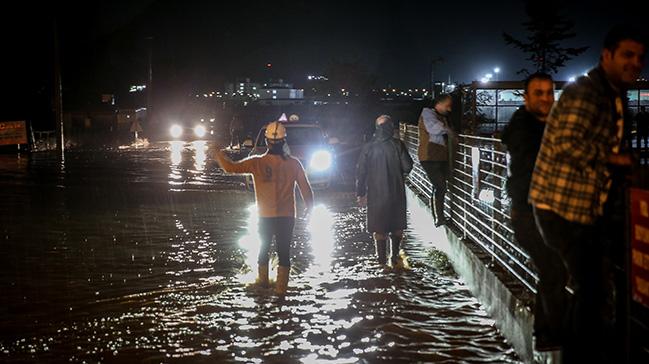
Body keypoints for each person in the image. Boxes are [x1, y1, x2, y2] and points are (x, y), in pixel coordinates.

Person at [529, 25, 646, 362]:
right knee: (592, 288)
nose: (635, 63)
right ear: (606, 56)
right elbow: (567, 144)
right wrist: (616, 158)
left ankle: (580, 348)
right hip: (560, 207)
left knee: (594, 286)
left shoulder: (611, 92)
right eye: (627, 55)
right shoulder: (586, 92)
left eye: (640, 57)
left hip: (579, 207)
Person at [501, 72, 567, 351]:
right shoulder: (524, 128)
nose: (545, 98)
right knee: (554, 270)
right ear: (526, 97)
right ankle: (550, 335)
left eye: (549, 93)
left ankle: (549, 332)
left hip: (546, 213)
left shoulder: (548, 125)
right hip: (528, 214)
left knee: (555, 270)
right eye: (538, 93)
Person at [213, 121, 314, 295]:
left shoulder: (256, 163)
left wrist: (218, 155)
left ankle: (262, 290)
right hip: (287, 217)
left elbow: (230, 168)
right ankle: (281, 293)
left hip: (265, 217)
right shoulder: (294, 164)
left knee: (262, 251)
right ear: (285, 141)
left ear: (267, 142)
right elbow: (307, 191)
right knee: (284, 254)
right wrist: (310, 210)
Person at [356, 115, 413, 267]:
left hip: (376, 195)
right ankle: (394, 257)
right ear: (390, 127)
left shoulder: (368, 147)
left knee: (378, 228)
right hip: (396, 192)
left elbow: (361, 172)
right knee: (397, 226)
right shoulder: (398, 145)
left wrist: (360, 193)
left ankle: (381, 261)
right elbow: (408, 167)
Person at [417, 94, 454, 226]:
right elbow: (435, 129)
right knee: (440, 186)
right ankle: (439, 218)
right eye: (447, 106)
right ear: (438, 104)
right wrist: (449, 131)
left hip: (438, 157)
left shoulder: (440, 116)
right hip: (429, 157)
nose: (449, 109)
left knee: (440, 186)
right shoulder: (428, 114)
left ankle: (440, 217)